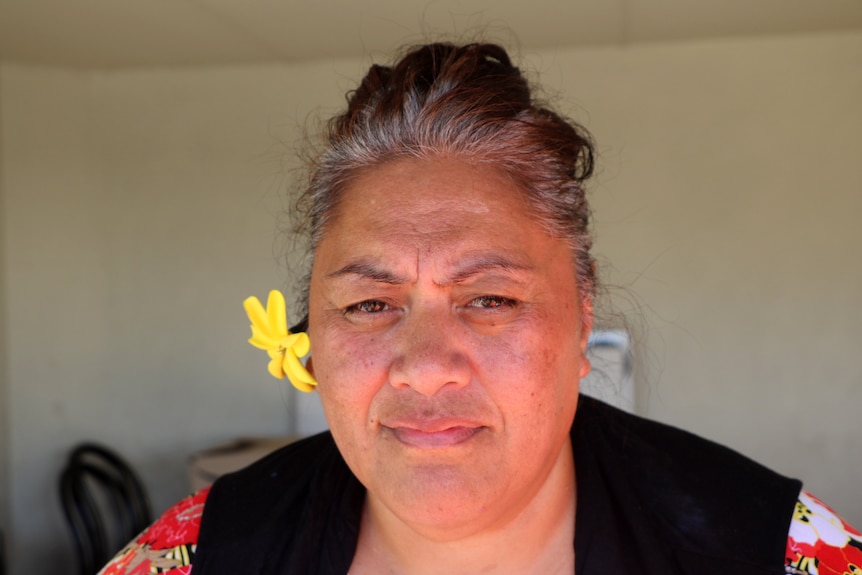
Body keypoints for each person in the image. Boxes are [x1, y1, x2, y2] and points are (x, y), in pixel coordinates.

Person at [99, 42, 860, 575]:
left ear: (582, 317)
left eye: (490, 298)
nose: (425, 366)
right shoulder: (199, 555)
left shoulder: (770, 549)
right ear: (311, 335)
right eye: (369, 303)